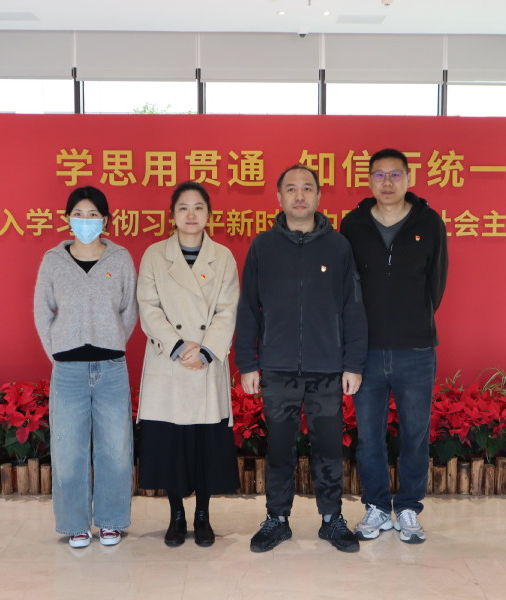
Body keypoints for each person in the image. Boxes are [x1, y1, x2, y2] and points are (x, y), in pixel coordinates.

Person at [235, 164, 368, 553]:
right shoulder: (263, 246)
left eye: (307, 188)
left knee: (328, 448)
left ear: (318, 196)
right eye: (291, 188)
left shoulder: (339, 247)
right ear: (279, 197)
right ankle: (277, 519)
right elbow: (248, 308)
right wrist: (248, 363)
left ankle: (331, 519)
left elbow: (354, 307)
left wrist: (353, 363)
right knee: (279, 448)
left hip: (327, 368)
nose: (299, 195)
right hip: (277, 368)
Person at [340, 148, 448, 544]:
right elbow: (345, 285)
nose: (387, 182)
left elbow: (436, 283)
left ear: (408, 178)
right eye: (379, 175)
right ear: (369, 180)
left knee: (415, 433)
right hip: (365, 351)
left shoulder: (429, 223)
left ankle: (408, 507)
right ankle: (376, 506)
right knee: (369, 435)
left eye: (395, 174)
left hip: (415, 350)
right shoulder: (353, 224)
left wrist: (412, 320)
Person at [135, 181, 240, 548]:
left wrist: (206, 351)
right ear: (172, 215)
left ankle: (203, 515)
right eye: (183, 207)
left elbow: (228, 309)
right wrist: (179, 347)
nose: (191, 214)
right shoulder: (154, 255)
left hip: (206, 363)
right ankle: (177, 515)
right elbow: (148, 307)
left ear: (208, 214)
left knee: (205, 444)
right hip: (170, 361)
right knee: (172, 444)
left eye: (198, 207)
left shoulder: (222, 257)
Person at [33, 185, 138, 548]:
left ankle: (110, 520)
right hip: (68, 370)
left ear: (105, 220)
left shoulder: (120, 259)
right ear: (67, 219)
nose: (86, 220)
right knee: (68, 449)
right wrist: (57, 352)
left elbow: (129, 310)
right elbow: (42, 311)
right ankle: (75, 524)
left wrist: (112, 341)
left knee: (116, 447)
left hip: (111, 366)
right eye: (79, 214)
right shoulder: (53, 260)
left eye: (93, 214)